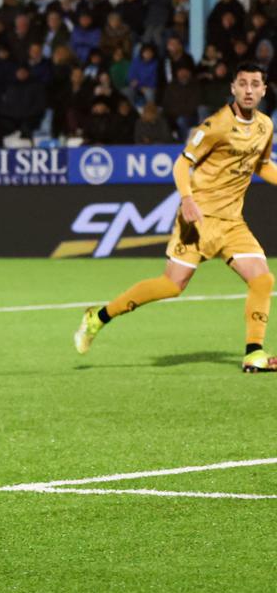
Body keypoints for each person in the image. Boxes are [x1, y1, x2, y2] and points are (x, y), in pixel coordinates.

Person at [75, 62, 277, 372]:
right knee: (172, 285)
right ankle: (98, 317)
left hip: (232, 222)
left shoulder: (265, 126)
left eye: (255, 84)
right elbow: (182, 164)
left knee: (262, 280)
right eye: (243, 84)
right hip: (198, 220)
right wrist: (187, 199)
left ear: (264, 90)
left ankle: (254, 353)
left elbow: (261, 164)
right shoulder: (215, 125)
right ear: (233, 88)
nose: (248, 90)